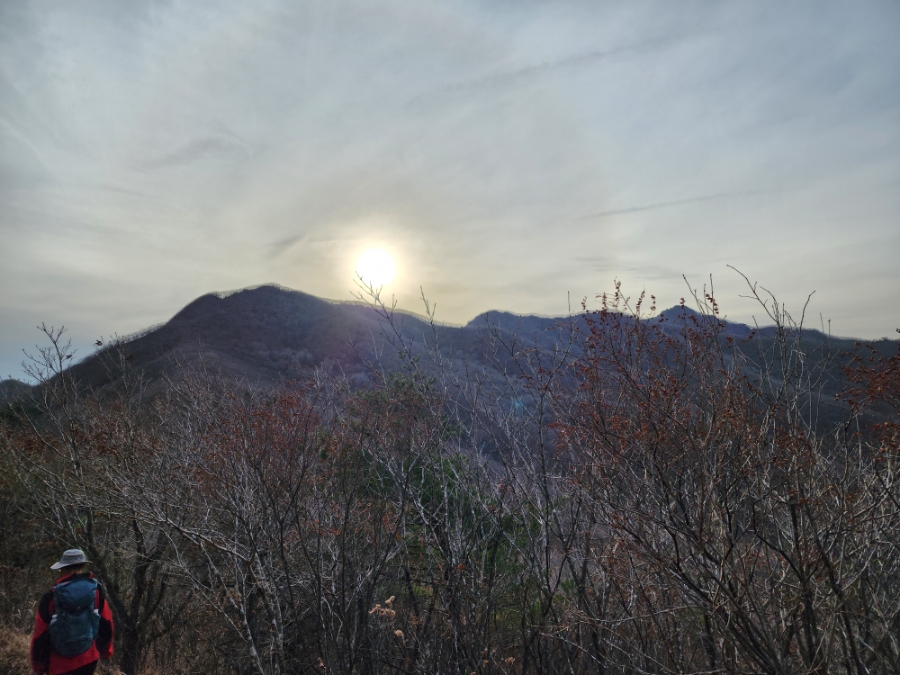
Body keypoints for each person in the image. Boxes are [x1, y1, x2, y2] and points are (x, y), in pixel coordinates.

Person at [30, 549, 114, 675]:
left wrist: (38, 667)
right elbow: (107, 624)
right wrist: (106, 652)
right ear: (83, 565)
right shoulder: (95, 591)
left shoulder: (51, 597)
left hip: (59, 664)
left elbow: (40, 636)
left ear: (62, 568)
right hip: (88, 658)